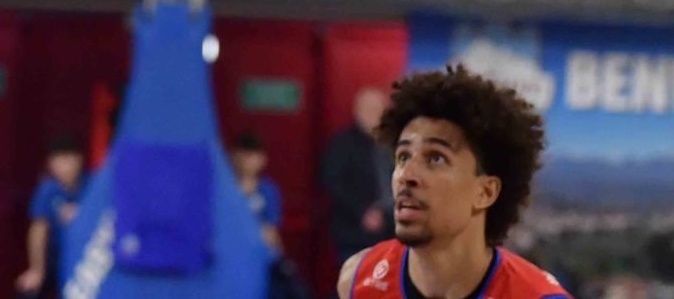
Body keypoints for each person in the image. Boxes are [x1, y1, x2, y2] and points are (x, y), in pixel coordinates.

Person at [338, 66, 570, 299]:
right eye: (403, 156)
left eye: (436, 158)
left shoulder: (536, 295)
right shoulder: (358, 279)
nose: (406, 175)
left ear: (485, 192)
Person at [323, 87, 393, 271]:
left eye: (379, 109)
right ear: (357, 111)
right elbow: (332, 182)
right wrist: (363, 211)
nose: (375, 115)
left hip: (391, 231)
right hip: (354, 233)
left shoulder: (392, 144)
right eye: (369, 109)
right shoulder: (343, 143)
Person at [16, 135, 86, 298]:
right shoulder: (47, 190)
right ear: (50, 164)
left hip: (86, 261)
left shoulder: (93, 187)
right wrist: (37, 270)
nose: (64, 167)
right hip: (55, 260)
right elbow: (38, 231)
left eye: (68, 159)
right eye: (58, 161)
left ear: (79, 159)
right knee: (28, 291)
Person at [231, 133, 283, 253]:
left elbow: (271, 229)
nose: (247, 159)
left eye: (252, 155)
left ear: (263, 159)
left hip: (257, 249)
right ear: (233, 156)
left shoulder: (268, 190)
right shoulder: (224, 189)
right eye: (244, 154)